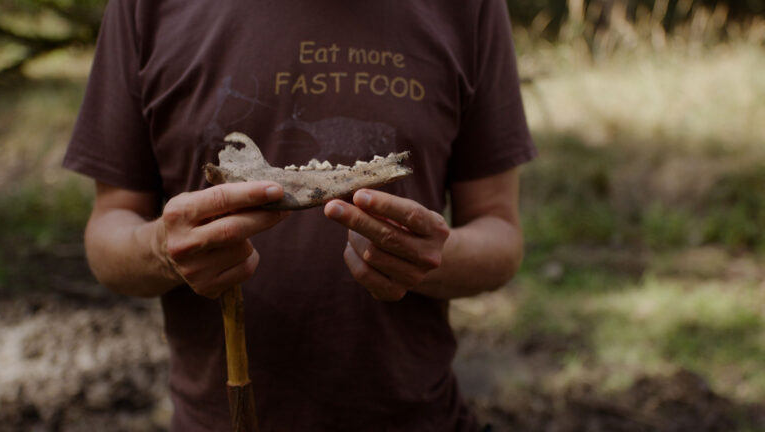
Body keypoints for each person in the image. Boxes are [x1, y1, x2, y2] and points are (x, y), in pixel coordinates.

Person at [63, 0, 536, 430]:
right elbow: (109, 232)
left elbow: (500, 234)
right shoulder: (144, 8)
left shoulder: (469, 8)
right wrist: (162, 251)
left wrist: (431, 256)